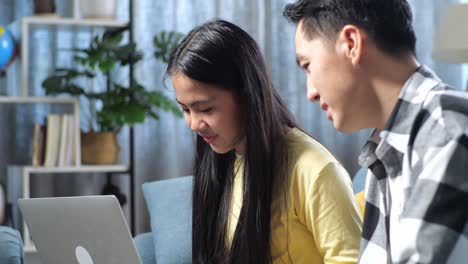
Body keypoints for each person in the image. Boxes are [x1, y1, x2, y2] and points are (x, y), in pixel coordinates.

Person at [283, 0, 468, 263]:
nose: (310, 92)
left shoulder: (447, 128)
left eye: (307, 66)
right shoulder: (383, 153)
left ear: (351, 43)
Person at [166, 19, 362, 264]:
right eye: (185, 110)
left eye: (205, 109)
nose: (194, 124)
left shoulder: (315, 171)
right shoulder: (225, 159)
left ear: (247, 94)